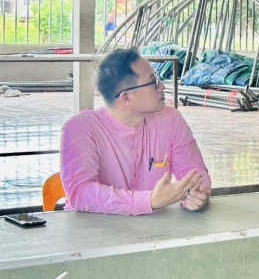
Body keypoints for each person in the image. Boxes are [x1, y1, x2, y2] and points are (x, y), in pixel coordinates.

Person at [60, 48, 211, 215]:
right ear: (126, 98)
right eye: (153, 82)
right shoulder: (80, 128)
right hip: (91, 226)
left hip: (153, 227)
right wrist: (149, 201)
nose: (161, 86)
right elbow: (80, 194)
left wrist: (196, 193)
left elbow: (195, 173)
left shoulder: (171, 119)